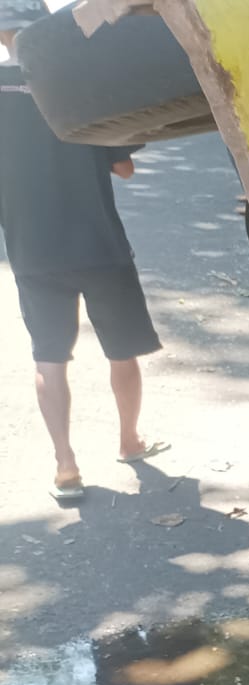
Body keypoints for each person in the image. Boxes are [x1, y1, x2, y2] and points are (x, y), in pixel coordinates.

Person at [0, 0, 165, 504]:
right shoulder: (75, 84)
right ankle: (129, 440)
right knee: (123, 349)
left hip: (33, 252)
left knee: (49, 358)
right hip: (100, 244)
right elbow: (124, 168)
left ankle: (65, 464)